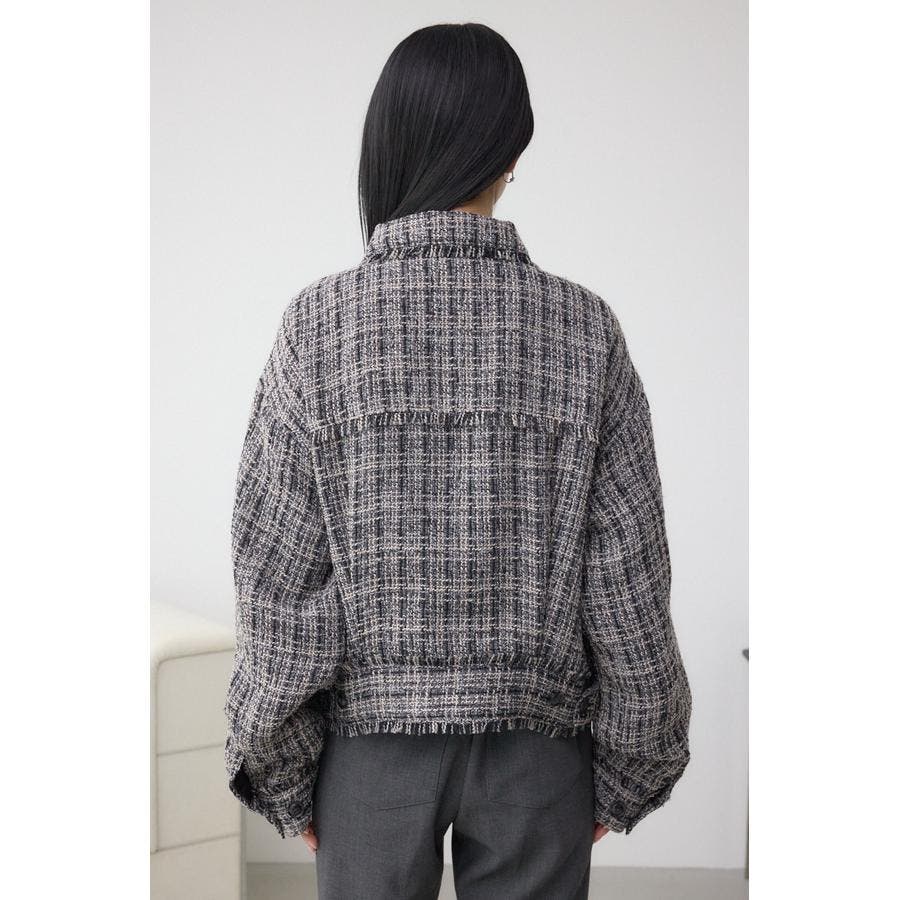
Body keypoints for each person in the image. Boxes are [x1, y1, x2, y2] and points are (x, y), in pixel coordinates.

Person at [224, 21, 691, 900]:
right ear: (511, 155)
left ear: (387, 145)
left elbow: (279, 580)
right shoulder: (585, 331)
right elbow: (629, 578)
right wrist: (635, 758)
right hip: (539, 754)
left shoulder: (317, 329)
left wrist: (281, 765)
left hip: (368, 757)